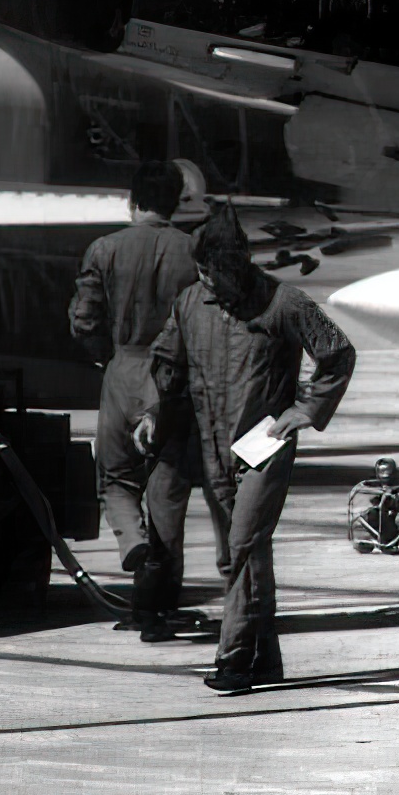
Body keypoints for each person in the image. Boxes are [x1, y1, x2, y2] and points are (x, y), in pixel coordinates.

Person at [138, 206, 355, 693]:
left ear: (236, 266)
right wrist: (153, 414)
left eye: (214, 274)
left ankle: (233, 660)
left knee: (242, 547)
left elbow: (337, 351)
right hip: (213, 447)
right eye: (202, 273)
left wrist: (308, 410)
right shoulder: (191, 303)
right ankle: (265, 659)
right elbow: (166, 364)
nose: (208, 283)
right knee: (241, 556)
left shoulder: (284, 302)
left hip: (263, 447)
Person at [68, 159, 199, 640]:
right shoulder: (193, 251)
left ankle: (137, 552)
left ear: (133, 201)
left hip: (121, 372)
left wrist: (109, 357)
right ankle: (161, 601)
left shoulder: (104, 249)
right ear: (175, 202)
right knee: (169, 490)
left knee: (116, 481)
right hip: (172, 380)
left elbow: (84, 320)